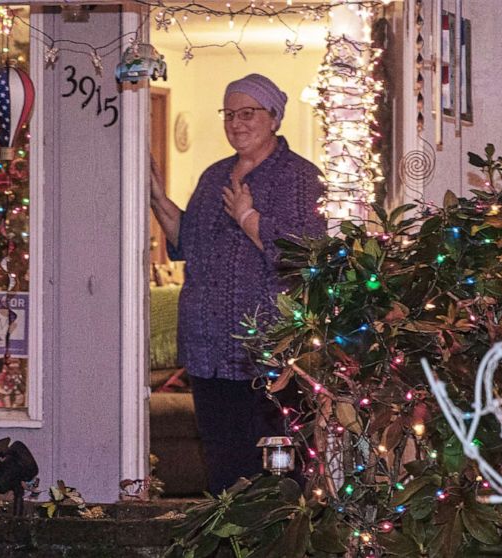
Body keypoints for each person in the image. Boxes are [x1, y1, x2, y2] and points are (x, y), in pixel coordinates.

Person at [149, 73, 326, 494]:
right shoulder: (215, 177)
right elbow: (187, 240)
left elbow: (306, 257)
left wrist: (249, 218)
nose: (236, 123)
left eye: (248, 113)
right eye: (229, 114)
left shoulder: (300, 178)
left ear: (274, 118)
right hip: (209, 353)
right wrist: (157, 197)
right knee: (224, 469)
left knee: (278, 470)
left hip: (268, 356)